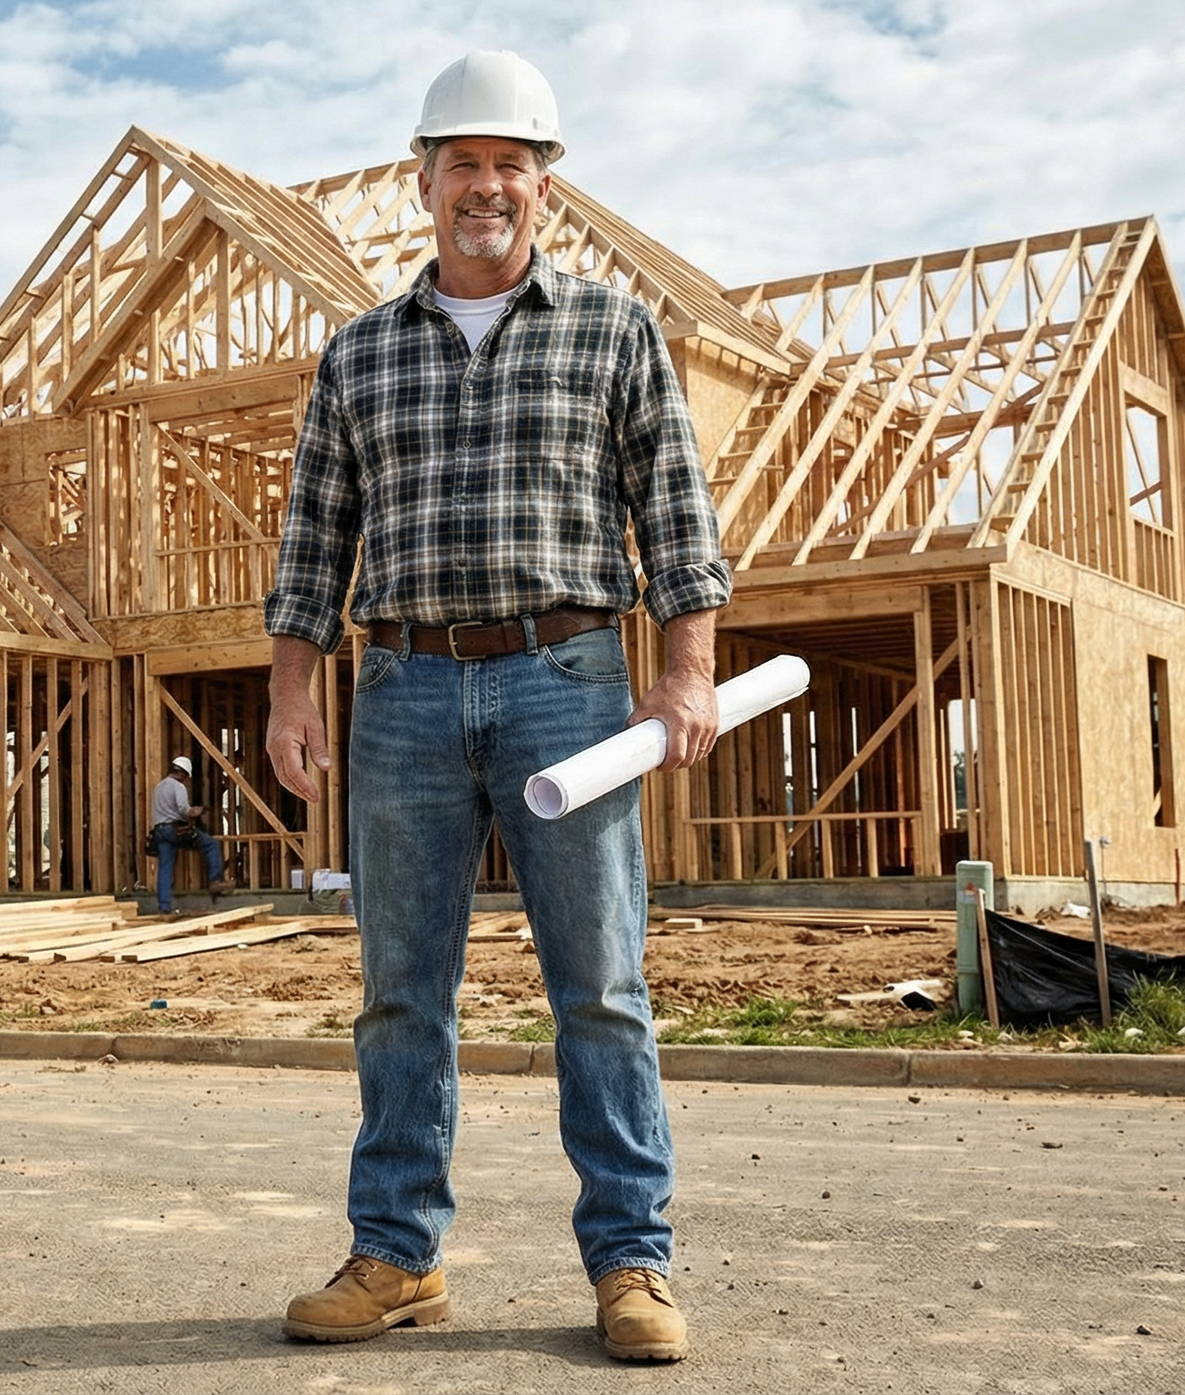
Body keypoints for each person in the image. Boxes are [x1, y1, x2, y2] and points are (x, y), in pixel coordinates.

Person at [261, 50, 729, 1363]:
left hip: (564, 676)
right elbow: (314, 539)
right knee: (402, 990)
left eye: (510, 167)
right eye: (462, 164)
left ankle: (633, 1262)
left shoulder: (616, 332)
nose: (486, 188)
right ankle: (396, 1253)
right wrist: (295, 689)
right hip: (403, 683)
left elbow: (677, 516)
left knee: (601, 987)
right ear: (422, 183)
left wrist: (684, 663)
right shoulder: (359, 354)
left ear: (544, 189)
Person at [148, 756, 233, 916]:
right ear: (182, 774)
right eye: (186, 777)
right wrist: (198, 811)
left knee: (165, 868)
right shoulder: (178, 787)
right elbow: (184, 810)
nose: (186, 780)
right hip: (175, 831)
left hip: (160, 831)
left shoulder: (159, 786)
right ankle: (215, 881)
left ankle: (164, 908)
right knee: (211, 844)